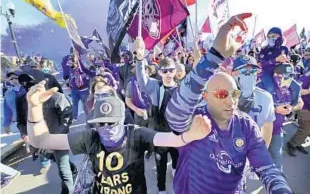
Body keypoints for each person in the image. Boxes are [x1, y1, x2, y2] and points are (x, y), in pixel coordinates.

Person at [161, 13, 292, 193]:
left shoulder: (246, 125)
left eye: (234, 94)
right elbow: (175, 114)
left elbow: (267, 168)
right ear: (205, 96)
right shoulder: (195, 118)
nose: (231, 101)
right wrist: (215, 55)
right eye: (222, 94)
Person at [25, 80, 211, 194]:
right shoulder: (90, 137)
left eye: (111, 123)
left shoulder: (136, 135)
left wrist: (190, 134)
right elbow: (41, 140)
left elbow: (172, 140)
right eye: (100, 123)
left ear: (122, 119)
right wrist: (34, 108)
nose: (106, 128)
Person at [18, 73, 78, 194]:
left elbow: (67, 120)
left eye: (33, 86)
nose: (30, 89)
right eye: (27, 87)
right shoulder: (23, 100)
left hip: (58, 140)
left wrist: (52, 139)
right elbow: (21, 122)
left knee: (63, 171)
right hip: (39, 142)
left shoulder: (58, 97)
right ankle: (73, 169)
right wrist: (25, 135)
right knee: (58, 161)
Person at [136, 54, 179, 194]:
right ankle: (161, 190)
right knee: (160, 166)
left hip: (176, 135)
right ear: (159, 72)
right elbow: (142, 82)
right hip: (160, 135)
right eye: (165, 71)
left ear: (175, 71)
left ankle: (177, 186)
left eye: (171, 70)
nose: (168, 74)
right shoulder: (155, 86)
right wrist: (140, 60)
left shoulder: (181, 88)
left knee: (177, 164)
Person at [258, 63, 303, 170]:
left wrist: (291, 108)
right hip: (260, 129)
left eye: (291, 76)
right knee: (258, 154)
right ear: (276, 74)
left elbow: (300, 104)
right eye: (286, 76)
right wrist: (274, 109)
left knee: (277, 154)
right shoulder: (263, 85)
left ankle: (278, 180)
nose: (289, 79)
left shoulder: (293, 86)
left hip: (277, 129)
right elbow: (252, 106)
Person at [231, 55, 275, 147]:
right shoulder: (225, 96)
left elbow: (267, 128)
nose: (248, 74)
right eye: (243, 70)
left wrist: (263, 152)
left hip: (251, 147)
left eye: (252, 71)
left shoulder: (266, 98)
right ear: (233, 73)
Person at [287, 64, 310, 156]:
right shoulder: (308, 76)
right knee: (305, 128)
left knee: (307, 129)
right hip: (304, 106)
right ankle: (292, 144)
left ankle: (298, 142)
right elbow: (297, 90)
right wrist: (309, 91)